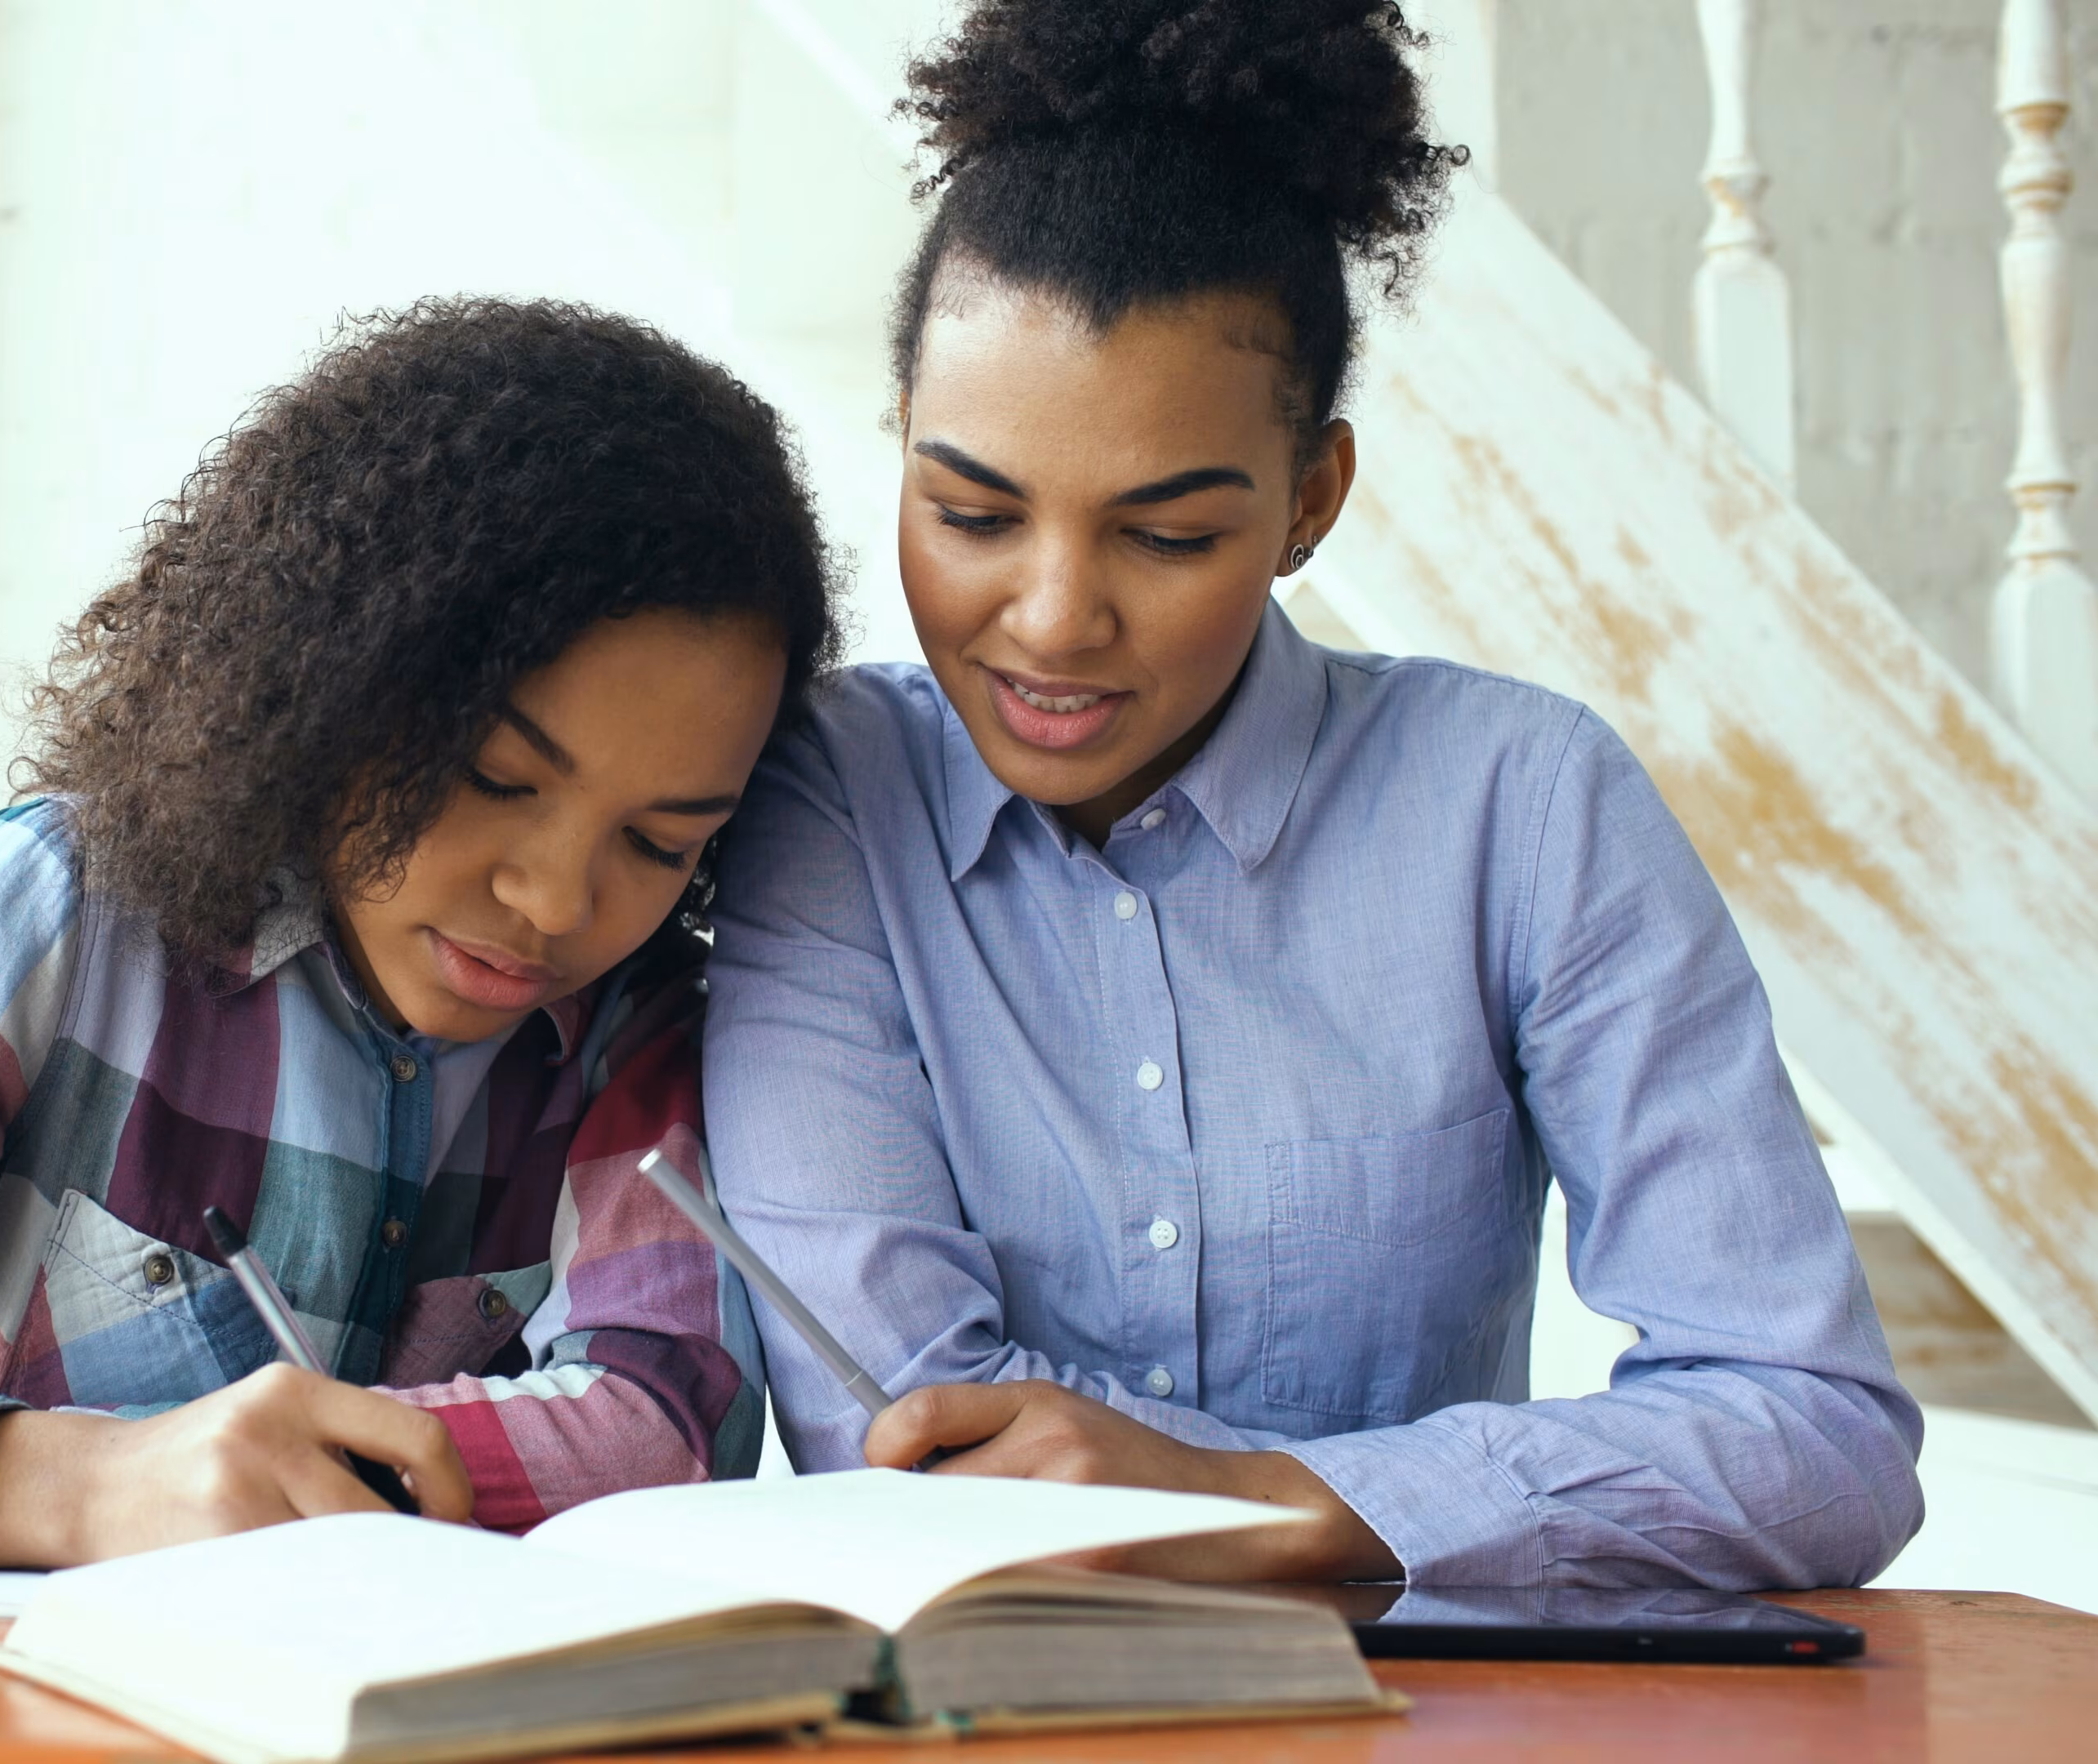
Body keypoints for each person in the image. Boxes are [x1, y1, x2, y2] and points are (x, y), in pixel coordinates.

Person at [703, 0, 1922, 1589]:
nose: (1056, 614)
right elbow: (900, 1422)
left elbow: (1816, 1437)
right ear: (906, 458)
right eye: (972, 511)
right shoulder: (830, 795)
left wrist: (1274, 1499)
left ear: (1310, 502)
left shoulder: (1524, 806)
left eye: (1167, 535)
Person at [0, 297, 835, 1569]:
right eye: (494, 777)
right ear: (338, 675)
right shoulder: (55, 915)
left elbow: (665, 1427)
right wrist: (57, 1480)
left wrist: (306, 1478)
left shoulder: (643, 1030)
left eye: (662, 843)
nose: (555, 901)